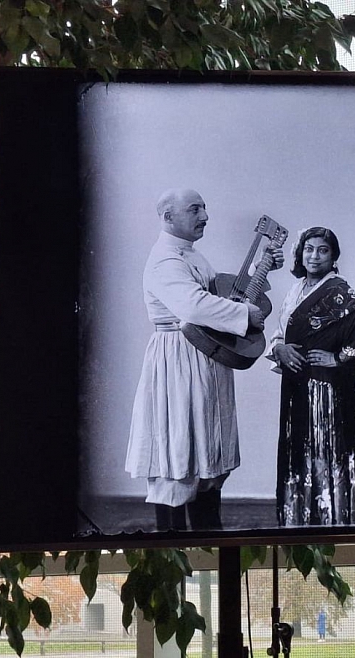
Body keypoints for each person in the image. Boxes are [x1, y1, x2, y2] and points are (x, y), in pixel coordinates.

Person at [125, 188, 284, 531]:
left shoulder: (190, 255)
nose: (205, 216)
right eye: (195, 209)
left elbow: (221, 293)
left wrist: (261, 270)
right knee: (178, 449)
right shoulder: (165, 260)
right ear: (168, 218)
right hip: (177, 361)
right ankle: (174, 547)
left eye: (205, 208)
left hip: (204, 358)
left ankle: (208, 539)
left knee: (206, 454)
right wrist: (244, 315)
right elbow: (194, 305)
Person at [268, 227, 355, 526]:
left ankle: (333, 520)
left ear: (334, 256)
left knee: (326, 448)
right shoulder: (295, 289)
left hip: (324, 390)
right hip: (295, 383)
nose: (315, 256)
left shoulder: (340, 291)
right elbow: (279, 332)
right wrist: (280, 349)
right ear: (301, 253)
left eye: (323, 250)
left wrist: (338, 359)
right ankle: (299, 518)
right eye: (309, 249)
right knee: (298, 447)